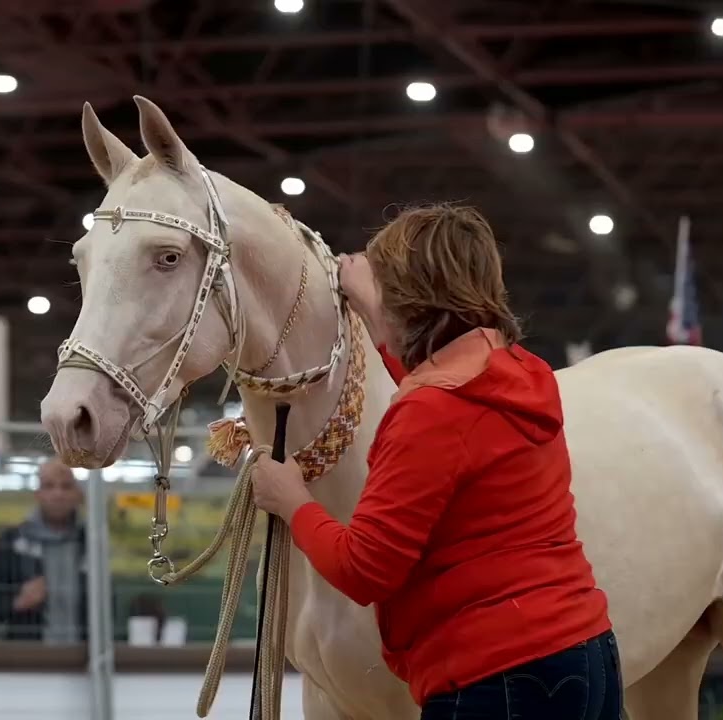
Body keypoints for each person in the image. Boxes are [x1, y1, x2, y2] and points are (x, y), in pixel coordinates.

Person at [250, 204, 622, 720]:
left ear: (409, 300)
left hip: (496, 679)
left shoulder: (428, 413)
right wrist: (375, 313)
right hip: (586, 655)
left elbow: (363, 571)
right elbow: (447, 398)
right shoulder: (521, 372)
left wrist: (293, 502)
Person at [0, 459, 87, 643]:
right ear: (38, 494)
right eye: (49, 486)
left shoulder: (89, 542)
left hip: (83, 657)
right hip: (29, 657)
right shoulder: (12, 541)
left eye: (66, 487)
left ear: (77, 495)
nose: (58, 494)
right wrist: (17, 601)